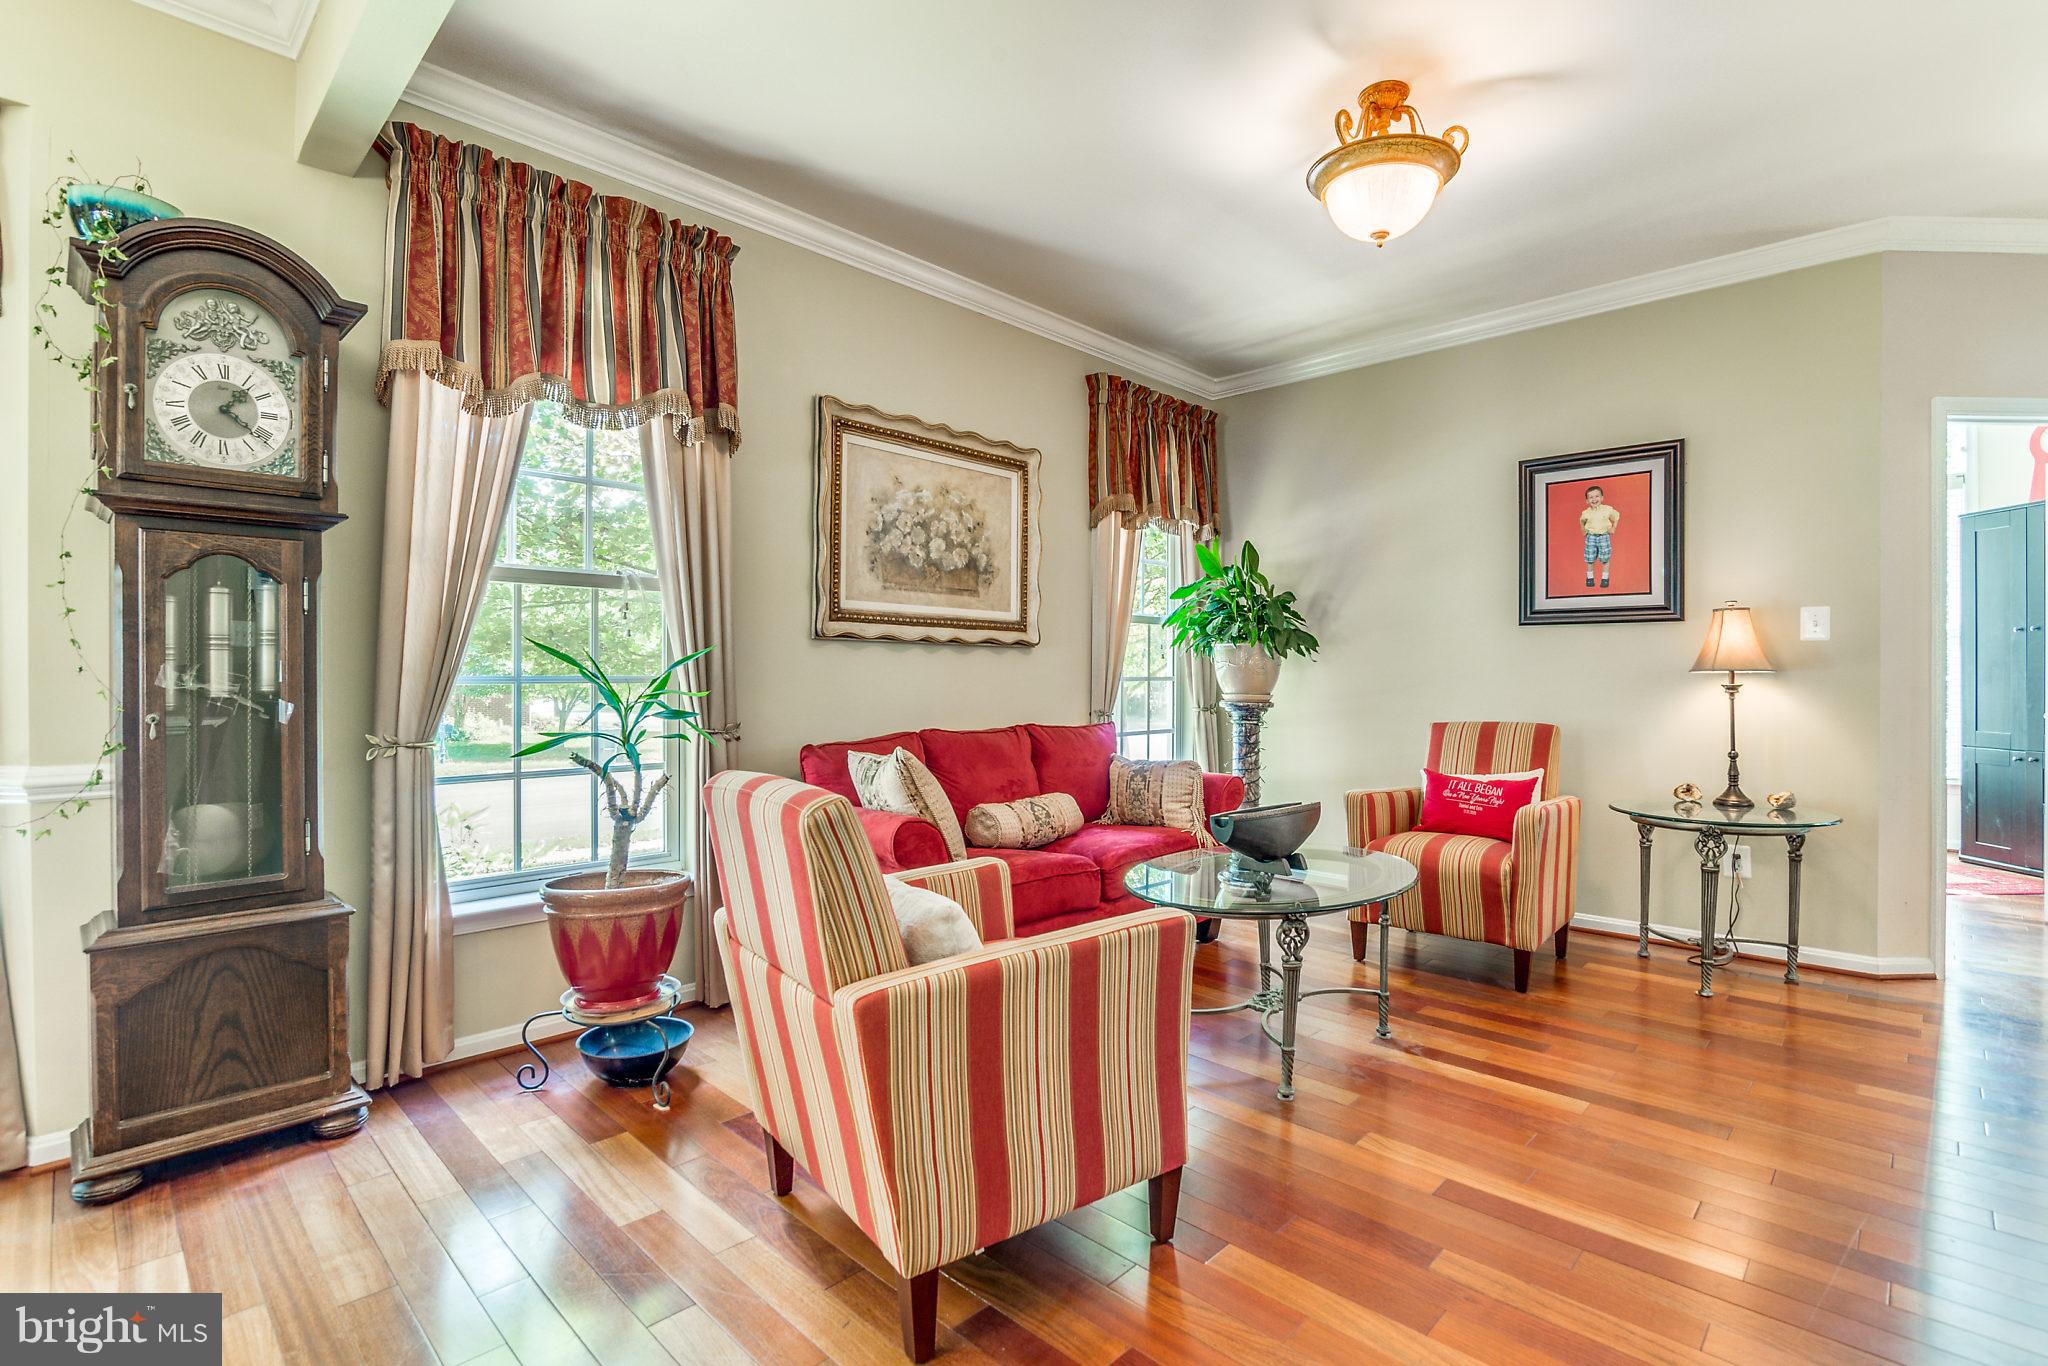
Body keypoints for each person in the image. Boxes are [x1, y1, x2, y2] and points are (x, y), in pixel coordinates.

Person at [1579, 485, 1620, 589]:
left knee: (1605, 558)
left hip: (1603, 536)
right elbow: (1582, 522)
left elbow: (1616, 517)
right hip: (1591, 536)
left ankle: (1605, 578)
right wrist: (1584, 532)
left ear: (1602, 498)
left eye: (1597, 496)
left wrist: (1613, 528)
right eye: (1591, 497)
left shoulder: (1607, 509)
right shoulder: (1585, 513)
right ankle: (1590, 578)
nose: (1594, 499)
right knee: (1590, 558)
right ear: (1587, 501)